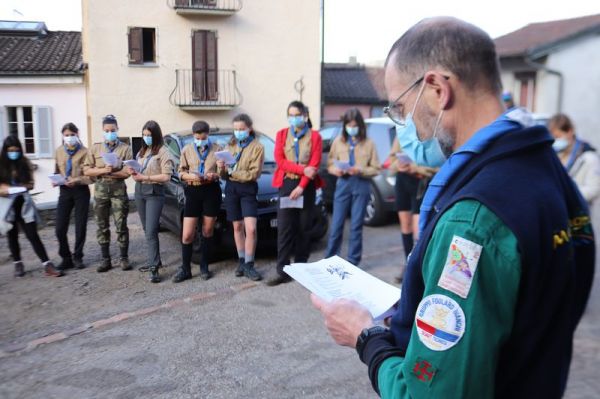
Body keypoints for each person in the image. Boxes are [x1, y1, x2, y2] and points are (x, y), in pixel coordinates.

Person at [311, 17, 594, 398]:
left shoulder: (473, 221)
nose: (401, 124)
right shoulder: (547, 170)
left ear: (436, 90)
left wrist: (367, 337)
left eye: (400, 108)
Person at [268, 100, 323, 286]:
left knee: (303, 228)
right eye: (290, 115)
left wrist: (301, 186)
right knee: (284, 228)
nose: (293, 118)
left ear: (304, 116)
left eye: (296, 115)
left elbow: (314, 165)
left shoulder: (315, 136)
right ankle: (282, 270)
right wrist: (302, 170)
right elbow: (280, 160)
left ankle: (301, 269)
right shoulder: (282, 134)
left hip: (305, 187)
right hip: (286, 183)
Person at [0, 136, 63, 277]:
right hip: (7, 205)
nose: (13, 153)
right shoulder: (1, 165)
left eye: (16, 150)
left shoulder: (24, 163)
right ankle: (18, 263)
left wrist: (21, 186)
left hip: (23, 204)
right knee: (12, 235)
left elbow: (31, 184)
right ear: (5, 151)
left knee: (33, 235)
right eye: (10, 150)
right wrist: (6, 188)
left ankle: (47, 264)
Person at [324, 108, 380, 266]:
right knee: (336, 225)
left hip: (361, 184)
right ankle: (329, 259)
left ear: (360, 125)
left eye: (354, 125)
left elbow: (376, 168)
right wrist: (336, 170)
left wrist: (360, 170)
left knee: (356, 226)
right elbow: (329, 164)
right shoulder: (338, 141)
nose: (351, 128)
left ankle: (353, 262)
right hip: (343, 184)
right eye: (348, 125)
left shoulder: (369, 143)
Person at [173, 120, 223, 283]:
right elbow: (180, 172)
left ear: (208, 135)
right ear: (193, 136)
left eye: (203, 137)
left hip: (211, 190)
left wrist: (217, 173)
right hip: (193, 191)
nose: (200, 140)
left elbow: (223, 173)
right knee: (187, 234)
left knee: (207, 231)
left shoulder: (217, 149)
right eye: (197, 137)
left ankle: (204, 266)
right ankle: (185, 269)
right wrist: (191, 176)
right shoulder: (187, 150)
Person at [217, 114, 264, 281]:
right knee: (237, 227)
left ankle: (250, 264)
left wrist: (232, 172)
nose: (238, 132)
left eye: (241, 129)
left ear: (249, 129)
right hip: (232, 189)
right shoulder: (229, 145)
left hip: (248, 188)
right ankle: (242, 261)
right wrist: (221, 168)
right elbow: (223, 176)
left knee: (251, 228)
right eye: (236, 129)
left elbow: (253, 173)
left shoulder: (257, 147)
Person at [83, 114, 133, 273]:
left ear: (117, 129)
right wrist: (102, 170)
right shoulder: (95, 148)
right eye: (107, 130)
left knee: (121, 224)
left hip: (118, 189)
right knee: (102, 225)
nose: (110, 132)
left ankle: (124, 258)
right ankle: (106, 260)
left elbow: (127, 172)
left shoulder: (125, 148)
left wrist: (112, 174)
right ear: (103, 131)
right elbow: (86, 169)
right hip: (100, 191)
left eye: (113, 130)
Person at [127, 121, 174, 283]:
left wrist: (145, 177)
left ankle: (154, 267)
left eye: (149, 135)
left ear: (156, 135)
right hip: (140, 192)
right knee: (147, 229)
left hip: (154, 193)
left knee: (152, 230)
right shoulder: (142, 151)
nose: (146, 138)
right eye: (144, 135)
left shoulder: (163, 151)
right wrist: (133, 171)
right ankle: (155, 260)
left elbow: (166, 176)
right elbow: (139, 170)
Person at [388, 137, 436, 282]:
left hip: (420, 183)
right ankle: (408, 264)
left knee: (418, 229)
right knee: (405, 226)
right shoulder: (402, 134)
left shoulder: (430, 134)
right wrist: (399, 165)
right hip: (402, 181)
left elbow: (437, 165)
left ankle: (418, 266)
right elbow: (391, 160)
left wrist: (414, 167)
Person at [53, 123, 93, 271]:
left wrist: (76, 180)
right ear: (62, 136)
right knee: (59, 228)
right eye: (66, 135)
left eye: (72, 134)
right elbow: (56, 170)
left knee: (80, 226)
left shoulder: (85, 152)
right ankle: (65, 257)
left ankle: (78, 257)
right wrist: (56, 181)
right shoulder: (58, 151)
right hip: (64, 191)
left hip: (81, 191)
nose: (69, 138)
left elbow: (90, 177)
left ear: (77, 134)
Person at [549, 113, 600, 205]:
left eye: (558, 137)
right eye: (553, 138)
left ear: (570, 131)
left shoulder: (589, 158)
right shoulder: (556, 155)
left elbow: (594, 189)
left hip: (579, 213)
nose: (555, 141)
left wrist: (568, 194)